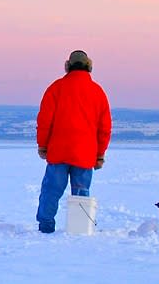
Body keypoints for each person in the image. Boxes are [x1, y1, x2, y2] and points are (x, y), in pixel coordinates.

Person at [35, 50, 112, 233]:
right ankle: (79, 228)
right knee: (81, 192)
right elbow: (104, 128)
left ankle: (46, 225)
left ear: (68, 65)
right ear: (89, 66)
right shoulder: (97, 92)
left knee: (51, 191)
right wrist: (100, 154)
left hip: (58, 150)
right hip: (85, 153)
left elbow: (44, 121)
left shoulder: (56, 88)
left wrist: (43, 145)